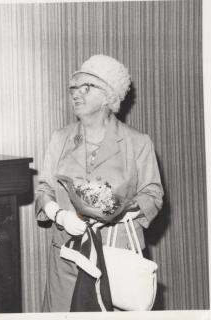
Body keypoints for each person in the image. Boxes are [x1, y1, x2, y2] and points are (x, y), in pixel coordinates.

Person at [35, 54, 164, 312]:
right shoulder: (60, 139)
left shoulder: (138, 143)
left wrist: (121, 210)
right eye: (74, 88)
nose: (75, 94)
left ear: (108, 96)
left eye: (86, 87)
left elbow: (153, 194)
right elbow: (44, 189)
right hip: (67, 256)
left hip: (116, 257)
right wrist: (59, 216)